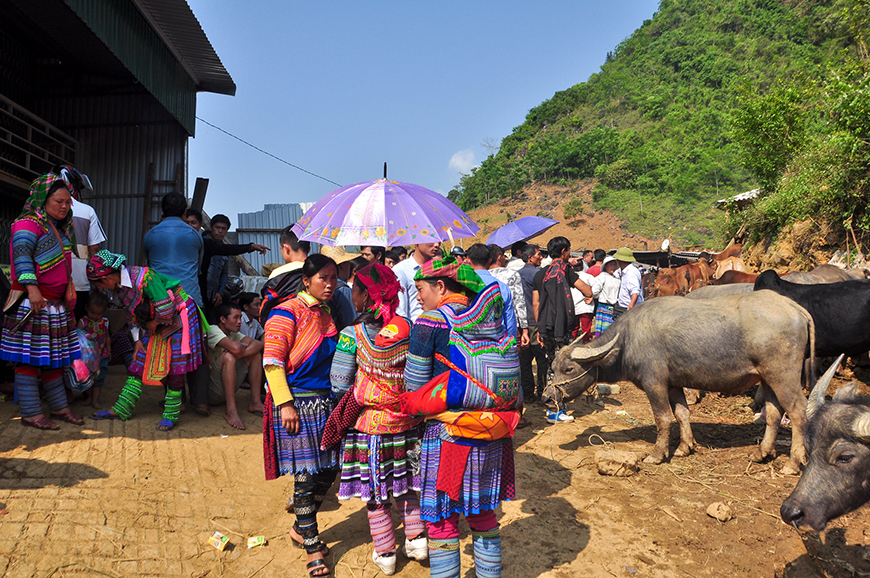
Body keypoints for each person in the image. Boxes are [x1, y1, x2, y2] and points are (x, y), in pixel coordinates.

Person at [403, 255, 519, 578]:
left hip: (450, 437)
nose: (419, 297)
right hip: (491, 433)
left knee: (441, 520)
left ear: (441, 287)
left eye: (420, 289)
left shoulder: (430, 323)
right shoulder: (489, 315)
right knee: (483, 514)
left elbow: (414, 386)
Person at [329, 264, 427, 575]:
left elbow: (339, 382)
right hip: (407, 424)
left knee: (376, 490)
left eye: (355, 289)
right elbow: (418, 377)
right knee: (408, 483)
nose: (351, 295)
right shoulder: (409, 328)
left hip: (369, 428)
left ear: (365, 295)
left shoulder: (351, 335)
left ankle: (386, 553)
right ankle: (417, 538)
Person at [262, 254, 339, 577]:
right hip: (298, 404)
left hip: (325, 403)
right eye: (323, 278)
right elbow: (272, 362)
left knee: (327, 471)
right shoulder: (286, 312)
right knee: (306, 478)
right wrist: (285, 404)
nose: (331, 284)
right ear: (306, 281)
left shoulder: (326, 314)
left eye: (334, 278)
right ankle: (311, 547)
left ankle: (299, 527)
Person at [1, 171, 84, 430]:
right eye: (58, 201)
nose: (64, 206)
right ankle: (30, 413)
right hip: (34, 303)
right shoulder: (29, 223)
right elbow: (22, 254)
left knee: (53, 359)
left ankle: (59, 407)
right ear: (42, 200)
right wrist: (33, 289)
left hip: (55, 306)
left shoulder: (58, 228)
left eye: (67, 202)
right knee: (29, 360)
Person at [88, 250, 204, 431]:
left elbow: (166, 307)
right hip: (155, 321)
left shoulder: (146, 278)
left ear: (106, 279)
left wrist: (155, 322)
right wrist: (138, 341)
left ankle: (171, 414)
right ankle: (122, 408)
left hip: (180, 317)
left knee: (175, 367)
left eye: (100, 285)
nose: (103, 289)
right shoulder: (120, 287)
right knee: (139, 360)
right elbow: (130, 313)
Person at [143, 192, 208, 415]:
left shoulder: (150, 235)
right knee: (197, 349)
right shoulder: (194, 235)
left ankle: (173, 399)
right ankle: (201, 401)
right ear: (184, 213)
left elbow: (150, 266)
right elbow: (197, 268)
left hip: (162, 302)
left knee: (164, 350)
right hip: (190, 301)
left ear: (161, 212)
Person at [533, 236, 592, 424]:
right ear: (563, 252)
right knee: (561, 368)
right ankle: (556, 410)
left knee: (551, 363)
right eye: (568, 250)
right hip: (561, 327)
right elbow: (587, 290)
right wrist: (589, 296)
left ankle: (551, 404)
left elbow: (536, 304)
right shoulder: (565, 270)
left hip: (545, 327)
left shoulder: (539, 274)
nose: (568, 254)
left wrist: (541, 328)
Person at [199, 213, 269, 319]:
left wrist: (220, 292)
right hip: (199, 292)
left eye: (223, 228)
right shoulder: (201, 243)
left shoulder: (224, 249)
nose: (220, 231)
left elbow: (224, 274)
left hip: (213, 296)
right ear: (211, 227)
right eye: (217, 227)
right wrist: (251, 246)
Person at [207, 302, 264, 429]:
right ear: (222, 319)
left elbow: (258, 345)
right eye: (236, 317)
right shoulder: (213, 330)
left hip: (224, 388)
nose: (239, 322)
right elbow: (237, 348)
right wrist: (240, 349)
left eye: (240, 318)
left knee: (255, 355)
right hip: (211, 392)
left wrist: (240, 352)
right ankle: (231, 411)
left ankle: (255, 402)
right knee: (229, 356)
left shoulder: (233, 334)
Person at [517, 245, 547, 403]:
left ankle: (527, 393)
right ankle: (542, 390)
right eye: (538, 255)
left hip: (522, 323)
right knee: (542, 358)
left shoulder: (517, 274)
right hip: (535, 321)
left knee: (525, 361)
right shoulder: (538, 274)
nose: (541, 257)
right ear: (530, 258)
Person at [393, 242, 442, 323]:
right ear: (417, 241)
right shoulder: (400, 270)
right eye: (431, 240)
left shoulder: (440, 267)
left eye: (438, 241)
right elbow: (401, 311)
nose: (436, 245)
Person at [78, 290, 111, 409]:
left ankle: (95, 400)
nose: (95, 316)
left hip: (102, 355)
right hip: (87, 358)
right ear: (86, 308)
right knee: (87, 379)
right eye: (92, 312)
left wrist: (109, 350)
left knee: (99, 380)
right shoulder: (82, 322)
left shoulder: (105, 322)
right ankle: (89, 397)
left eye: (99, 314)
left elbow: (107, 336)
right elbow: (79, 338)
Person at [320, 246, 360, 331]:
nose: (350, 266)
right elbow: (350, 321)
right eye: (348, 263)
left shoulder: (321, 286)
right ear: (342, 265)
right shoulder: (343, 290)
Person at [591, 256, 621, 338]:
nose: (613, 267)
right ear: (606, 266)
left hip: (614, 308)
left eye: (614, 265)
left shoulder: (617, 279)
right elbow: (595, 291)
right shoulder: (601, 277)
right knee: (604, 333)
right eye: (611, 265)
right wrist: (595, 296)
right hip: (604, 307)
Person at [614, 247, 644, 318]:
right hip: (624, 306)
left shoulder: (631, 272)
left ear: (620, 260)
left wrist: (631, 305)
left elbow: (635, 291)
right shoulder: (625, 271)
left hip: (628, 308)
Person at [571, 265, 596, 343]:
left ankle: (573, 344)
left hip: (573, 306)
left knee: (574, 329)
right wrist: (592, 296)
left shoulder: (570, 277)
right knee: (586, 329)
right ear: (582, 267)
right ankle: (585, 344)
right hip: (586, 306)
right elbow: (596, 288)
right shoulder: (588, 277)